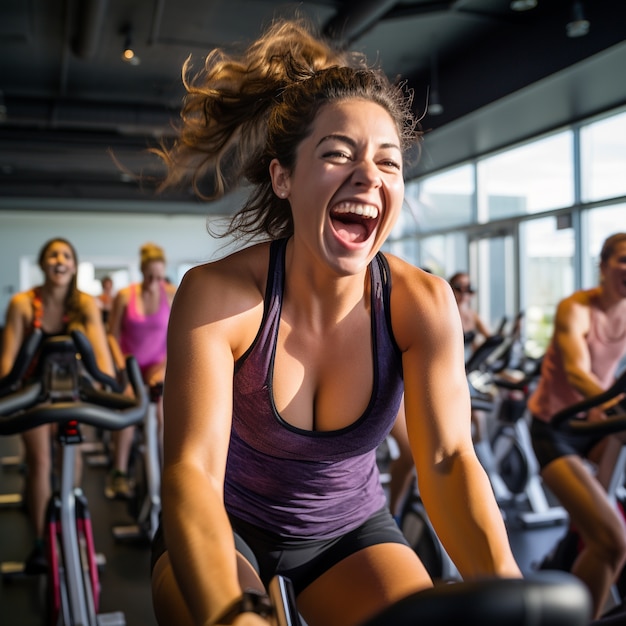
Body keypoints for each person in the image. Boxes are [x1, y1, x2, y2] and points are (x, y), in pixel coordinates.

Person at [150, 18, 521, 626]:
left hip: (347, 533)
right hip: (225, 524)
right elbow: (190, 473)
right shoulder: (219, 295)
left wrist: (506, 588)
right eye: (338, 154)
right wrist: (232, 613)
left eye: (388, 163)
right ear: (283, 177)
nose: (368, 176)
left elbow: (450, 460)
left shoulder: (420, 303)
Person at [0, 237, 117, 574]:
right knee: (39, 461)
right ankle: (40, 541)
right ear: (43, 264)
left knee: (70, 457)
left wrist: (108, 387)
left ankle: (71, 530)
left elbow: (103, 359)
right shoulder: (24, 304)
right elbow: (8, 362)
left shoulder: (85, 305)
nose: (60, 260)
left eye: (66, 255)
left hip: (70, 393)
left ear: (74, 265)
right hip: (31, 392)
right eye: (53, 255)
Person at [528, 232, 626, 619]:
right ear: (603, 266)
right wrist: (615, 403)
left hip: (595, 424)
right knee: (611, 544)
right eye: (622, 259)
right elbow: (577, 371)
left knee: (599, 522)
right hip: (556, 427)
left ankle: (574, 547)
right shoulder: (576, 308)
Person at [106, 242, 176, 499]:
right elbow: (111, 335)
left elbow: (179, 336)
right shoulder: (125, 295)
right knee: (127, 407)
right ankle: (119, 473)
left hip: (159, 365)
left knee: (162, 414)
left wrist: (166, 367)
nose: (154, 282)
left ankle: (171, 470)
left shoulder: (171, 293)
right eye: (149, 277)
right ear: (141, 271)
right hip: (131, 365)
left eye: (159, 277)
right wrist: (121, 365)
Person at [448, 271, 491, 360]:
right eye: (459, 287)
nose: (463, 291)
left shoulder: (473, 315)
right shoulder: (445, 314)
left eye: (467, 287)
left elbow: (490, 338)